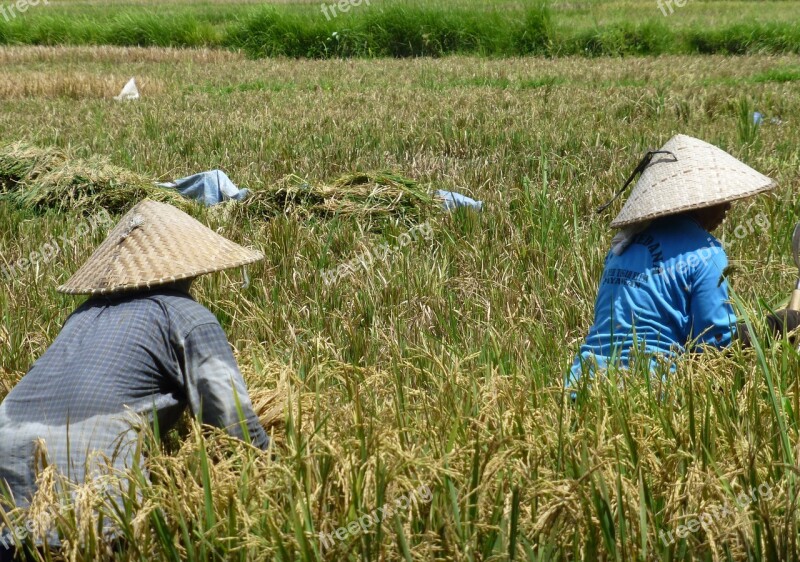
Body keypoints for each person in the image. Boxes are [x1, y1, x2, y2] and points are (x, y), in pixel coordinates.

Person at [0, 200, 269, 556]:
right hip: (85, 481)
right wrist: (277, 473)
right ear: (193, 266)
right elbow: (233, 427)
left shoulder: (82, 316)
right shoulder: (188, 317)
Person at [568, 134, 776, 387]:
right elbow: (715, 345)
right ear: (699, 201)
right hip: (649, 391)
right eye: (721, 197)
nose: (728, 207)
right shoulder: (707, 252)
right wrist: (777, 327)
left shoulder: (623, 244)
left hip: (582, 384)